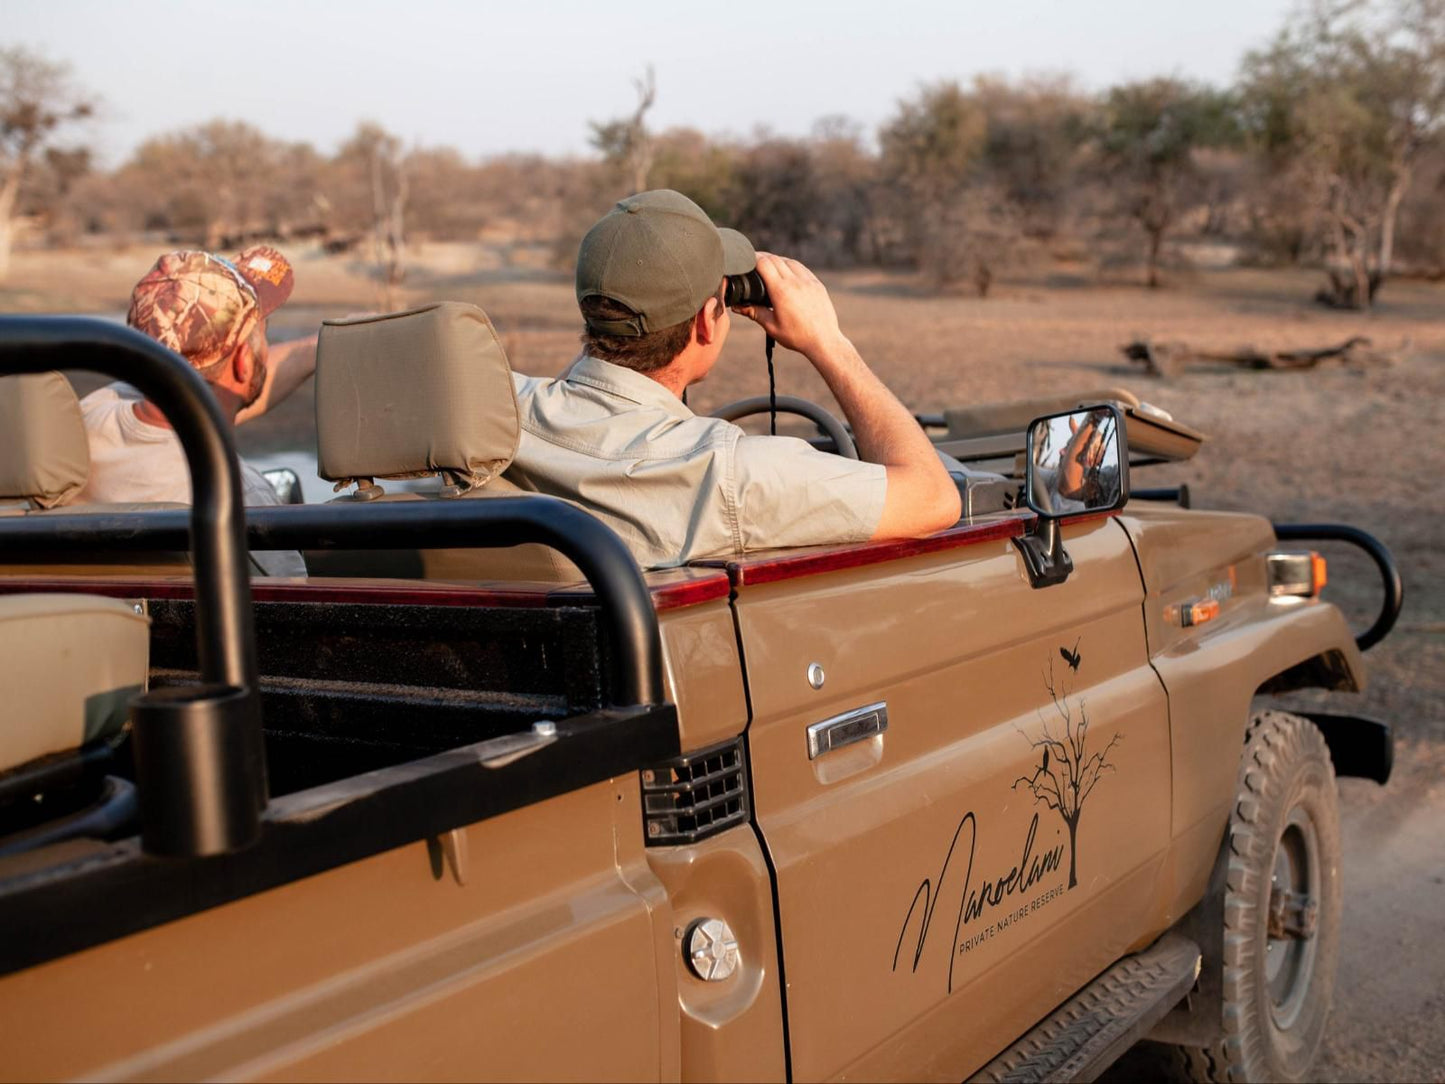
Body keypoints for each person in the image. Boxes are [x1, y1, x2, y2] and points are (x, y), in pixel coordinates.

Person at [508, 190, 960, 569]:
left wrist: (615, 324)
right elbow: (935, 499)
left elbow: (578, 389)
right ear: (708, 320)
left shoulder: (496, 414)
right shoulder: (732, 476)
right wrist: (828, 341)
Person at [75, 246, 317, 576]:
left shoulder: (93, 413)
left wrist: (315, 349)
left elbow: (205, 399)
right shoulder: (239, 496)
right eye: (262, 329)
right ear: (244, 363)